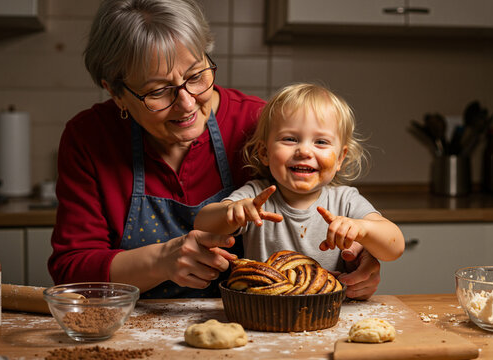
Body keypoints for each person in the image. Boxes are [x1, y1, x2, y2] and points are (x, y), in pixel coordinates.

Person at [48, 0, 383, 300]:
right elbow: (72, 270)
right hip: (132, 327)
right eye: (159, 91)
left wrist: (360, 255)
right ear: (115, 91)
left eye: (196, 75)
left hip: (247, 326)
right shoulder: (90, 138)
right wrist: (161, 261)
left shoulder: (259, 124)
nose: (186, 103)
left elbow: (318, 208)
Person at [194, 83, 404, 279]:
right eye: (290, 139)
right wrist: (231, 213)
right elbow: (202, 225)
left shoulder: (345, 200)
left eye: (321, 142)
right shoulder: (256, 197)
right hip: (263, 309)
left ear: (340, 158)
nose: (304, 151)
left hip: (328, 313)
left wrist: (363, 229)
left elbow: (394, 247)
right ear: (264, 152)